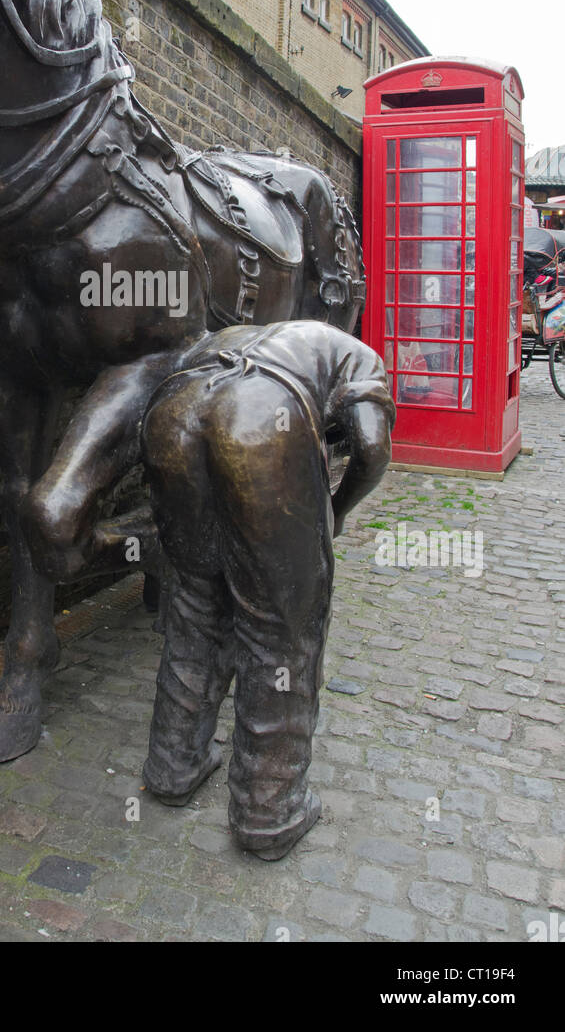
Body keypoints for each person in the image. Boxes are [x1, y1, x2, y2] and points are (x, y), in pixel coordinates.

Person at [140, 319, 395, 860]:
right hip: (258, 420)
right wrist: (337, 509)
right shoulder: (360, 356)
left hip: (173, 411)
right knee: (281, 628)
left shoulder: (235, 336)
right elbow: (372, 448)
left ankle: (172, 766)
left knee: (194, 605)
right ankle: (268, 811)